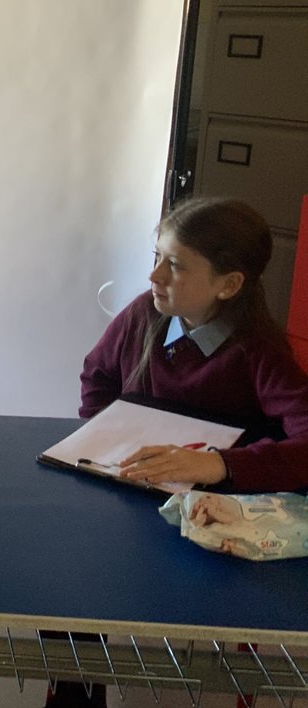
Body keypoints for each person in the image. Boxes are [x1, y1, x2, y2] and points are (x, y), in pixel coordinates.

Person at [49, 196, 308, 706]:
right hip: (125, 489)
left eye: (175, 265)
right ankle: (75, 689)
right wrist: (104, 437)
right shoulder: (143, 314)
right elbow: (96, 375)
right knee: (67, 576)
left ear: (228, 285)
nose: (154, 275)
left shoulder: (259, 350)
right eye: (156, 255)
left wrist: (219, 465)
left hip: (199, 515)